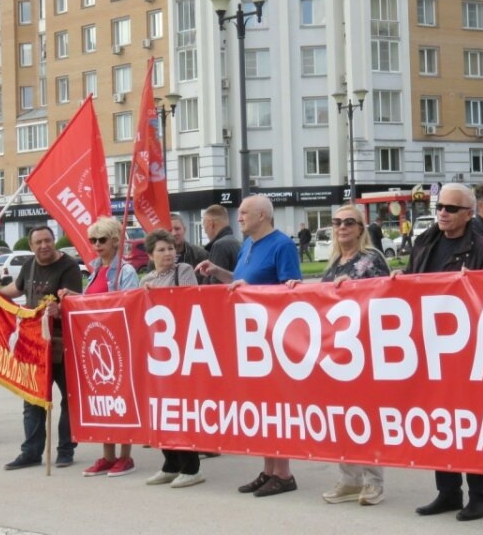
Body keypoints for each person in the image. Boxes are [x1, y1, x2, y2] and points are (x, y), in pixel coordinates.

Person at [406, 183, 483, 521]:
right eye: (440, 207)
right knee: (439, 421)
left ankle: (480, 495)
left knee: (471, 422)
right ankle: (447, 492)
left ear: (468, 214)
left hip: (468, 349)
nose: (442, 212)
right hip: (430, 347)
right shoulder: (424, 241)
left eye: (451, 208)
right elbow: (409, 282)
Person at [196, 195, 302, 498]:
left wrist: (252, 290)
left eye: (244, 212)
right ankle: (269, 470)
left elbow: (290, 293)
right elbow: (244, 283)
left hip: (272, 338)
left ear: (263, 216)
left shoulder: (282, 245)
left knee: (276, 404)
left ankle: (284, 472)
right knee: (262, 405)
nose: (238, 217)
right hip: (250, 339)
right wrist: (219, 273)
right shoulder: (248, 245)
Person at [297, 205, 390, 507]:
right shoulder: (336, 261)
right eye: (337, 222)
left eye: (349, 222)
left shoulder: (371, 260)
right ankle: (349, 478)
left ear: (361, 228)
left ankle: (373, 481)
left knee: (366, 416)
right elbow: (323, 297)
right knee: (342, 417)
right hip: (338, 354)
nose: (342, 227)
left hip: (365, 351)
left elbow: (383, 297)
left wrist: (351, 289)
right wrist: (297, 289)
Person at [0, 225, 83, 470]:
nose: (44, 245)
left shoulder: (68, 266)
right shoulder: (29, 265)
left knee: (69, 399)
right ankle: (31, 452)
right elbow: (17, 289)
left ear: (53, 241)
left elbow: (76, 298)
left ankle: (66, 450)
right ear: (31, 245)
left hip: (62, 344)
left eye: (48, 240)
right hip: (35, 346)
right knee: (32, 400)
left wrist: (61, 307)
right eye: (39, 242)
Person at [140, 229, 204, 489]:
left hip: (183, 349)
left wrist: (156, 294)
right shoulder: (147, 278)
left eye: (170, 248)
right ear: (151, 254)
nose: (168, 254)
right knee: (160, 407)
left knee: (181, 408)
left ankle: (191, 467)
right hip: (157, 353)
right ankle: (170, 462)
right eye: (162, 250)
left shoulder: (183, 270)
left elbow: (190, 298)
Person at [78, 216, 140, 477]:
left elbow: (130, 303)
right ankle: (107, 455)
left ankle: (125, 456)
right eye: (93, 240)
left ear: (115, 241)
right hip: (97, 342)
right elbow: (87, 304)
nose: (96, 244)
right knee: (102, 397)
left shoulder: (125, 272)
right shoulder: (94, 271)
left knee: (121, 397)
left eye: (102, 239)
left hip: (118, 343)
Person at [201, 204, 241, 284]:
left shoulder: (219, 245)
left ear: (210, 224)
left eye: (204, 227)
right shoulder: (236, 242)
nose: (205, 231)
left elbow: (216, 282)